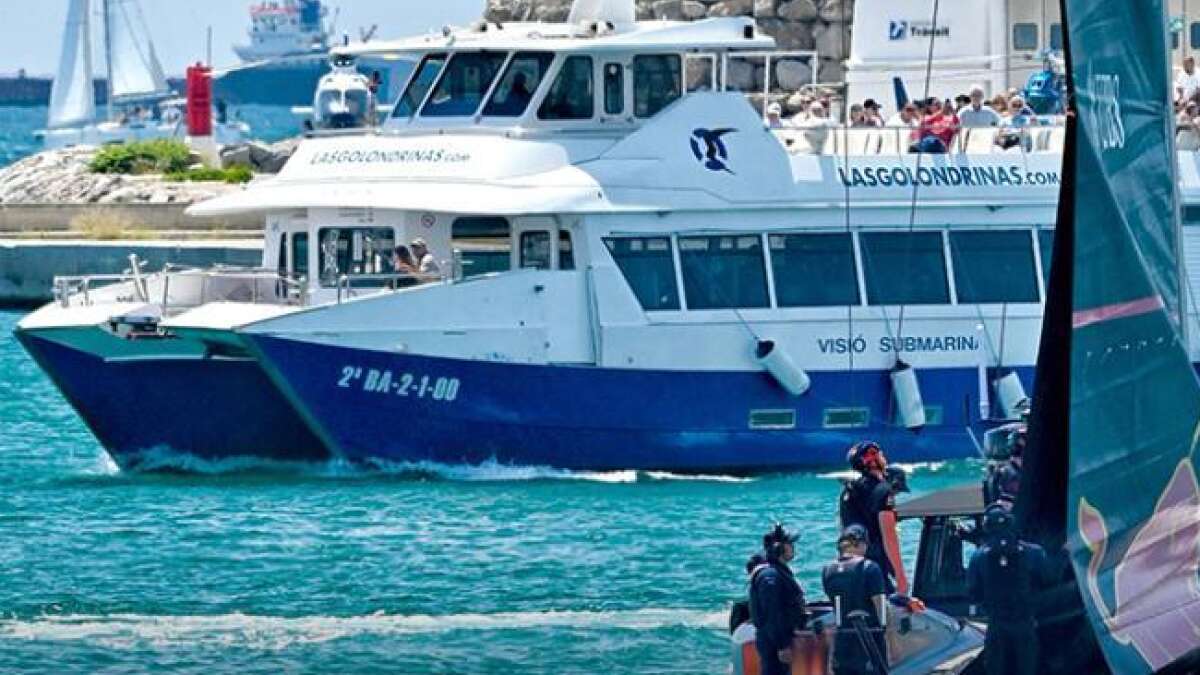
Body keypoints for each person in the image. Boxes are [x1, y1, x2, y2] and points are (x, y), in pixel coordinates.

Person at [968, 504, 1054, 675]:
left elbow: (973, 593)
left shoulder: (978, 556)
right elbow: (1049, 580)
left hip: (996, 626)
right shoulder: (1034, 552)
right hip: (1025, 624)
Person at [839, 441, 909, 596]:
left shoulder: (849, 491)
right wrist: (900, 576)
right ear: (872, 459)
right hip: (874, 565)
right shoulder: (883, 490)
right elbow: (889, 535)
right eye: (881, 454)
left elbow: (844, 530)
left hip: (850, 564)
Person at [822, 525, 888, 675]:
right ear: (861, 543)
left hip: (842, 640)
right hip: (869, 639)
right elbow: (880, 606)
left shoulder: (828, 570)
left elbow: (835, 605)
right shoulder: (870, 568)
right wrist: (891, 641)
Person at [749, 524, 807, 675]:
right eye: (790, 544)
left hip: (779, 639)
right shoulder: (770, 576)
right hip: (773, 643)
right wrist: (782, 645)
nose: (793, 548)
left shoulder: (778, 571)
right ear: (779, 548)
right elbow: (772, 614)